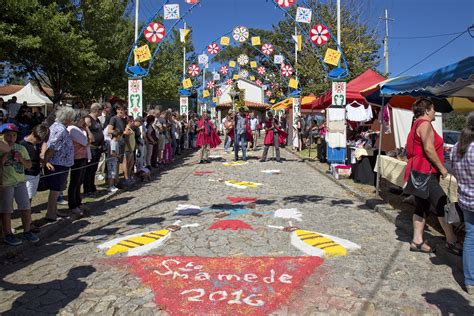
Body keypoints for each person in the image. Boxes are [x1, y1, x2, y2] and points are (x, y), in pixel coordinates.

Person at [404, 98, 460, 254]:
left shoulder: (416, 123)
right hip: (425, 171)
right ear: (427, 110)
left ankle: (417, 241)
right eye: (433, 109)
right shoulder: (425, 124)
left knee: (422, 205)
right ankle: (451, 240)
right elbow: (429, 149)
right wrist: (442, 168)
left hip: (419, 170)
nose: (435, 112)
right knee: (442, 202)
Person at [0, 123, 38, 246]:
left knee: (25, 207)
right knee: (7, 210)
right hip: (6, 183)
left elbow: (29, 165)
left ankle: (27, 231)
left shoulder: (20, 148)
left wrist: (21, 159)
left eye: (14, 135)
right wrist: (4, 157)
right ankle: (8, 234)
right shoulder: (1, 148)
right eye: (8, 135)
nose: (11, 138)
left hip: (20, 181)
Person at [451, 112, 474, 294]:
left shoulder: (457, 147)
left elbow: (454, 172)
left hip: (465, 199)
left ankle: (470, 281)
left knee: (470, 238)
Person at [43, 107, 75, 222]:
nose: (72, 120)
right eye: (71, 118)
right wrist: (45, 161)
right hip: (57, 163)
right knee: (55, 190)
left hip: (62, 163)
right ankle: (50, 213)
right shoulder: (59, 129)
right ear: (66, 118)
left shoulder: (59, 127)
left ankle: (54, 210)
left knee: (57, 189)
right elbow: (52, 146)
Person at [66, 111, 91, 216]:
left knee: (79, 181)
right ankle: (73, 204)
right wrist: (86, 131)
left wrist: (86, 129)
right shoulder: (73, 129)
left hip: (83, 157)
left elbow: (90, 140)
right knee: (74, 182)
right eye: (82, 119)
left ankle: (78, 201)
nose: (84, 121)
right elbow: (86, 142)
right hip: (77, 158)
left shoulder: (81, 129)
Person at [19, 124, 49, 201]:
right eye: (38, 139)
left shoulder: (36, 144)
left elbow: (36, 156)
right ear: (32, 133)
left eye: (41, 140)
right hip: (27, 175)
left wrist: (45, 162)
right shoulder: (22, 145)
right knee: (26, 198)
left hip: (35, 174)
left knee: (30, 196)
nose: (39, 141)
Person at [83, 103, 104, 196]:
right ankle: (87, 189)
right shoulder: (88, 119)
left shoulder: (98, 120)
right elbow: (85, 128)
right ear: (96, 110)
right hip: (91, 148)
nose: (101, 112)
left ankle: (92, 186)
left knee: (94, 169)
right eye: (100, 110)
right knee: (89, 169)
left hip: (98, 147)